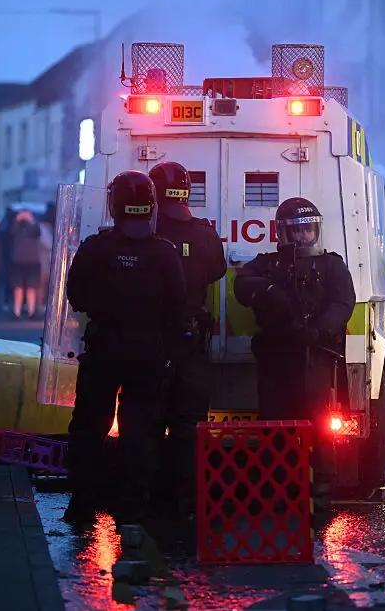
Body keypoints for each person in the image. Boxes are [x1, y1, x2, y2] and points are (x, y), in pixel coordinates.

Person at [62, 170, 187, 524]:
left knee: (89, 426)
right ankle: (134, 508)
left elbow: (76, 297)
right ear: (151, 206)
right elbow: (179, 306)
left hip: (103, 349)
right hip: (148, 353)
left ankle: (83, 502)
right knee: (140, 429)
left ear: (114, 205)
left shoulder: (95, 248)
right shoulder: (164, 253)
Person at [234, 197, 356, 511]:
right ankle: (279, 492)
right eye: (296, 230)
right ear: (283, 233)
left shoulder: (332, 265)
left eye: (308, 230)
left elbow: (343, 303)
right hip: (276, 357)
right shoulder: (268, 264)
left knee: (319, 422)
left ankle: (323, 493)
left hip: (314, 357)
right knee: (275, 423)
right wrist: (270, 290)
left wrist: (317, 330)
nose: (303, 236)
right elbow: (242, 285)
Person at [148, 161, 227, 515]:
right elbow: (217, 271)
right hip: (191, 343)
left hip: (150, 343)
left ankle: (147, 500)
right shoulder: (204, 233)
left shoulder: (145, 232)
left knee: (146, 420)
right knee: (189, 423)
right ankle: (187, 501)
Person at [9, 209, 42, 320]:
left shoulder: (34, 227)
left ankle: (31, 311)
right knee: (18, 287)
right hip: (18, 261)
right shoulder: (16, 227)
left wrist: (31, 220)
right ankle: (16, 312)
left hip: (32, 261)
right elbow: (11, 232)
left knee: (31, 288)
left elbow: (38, 232)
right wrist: (17, 220)